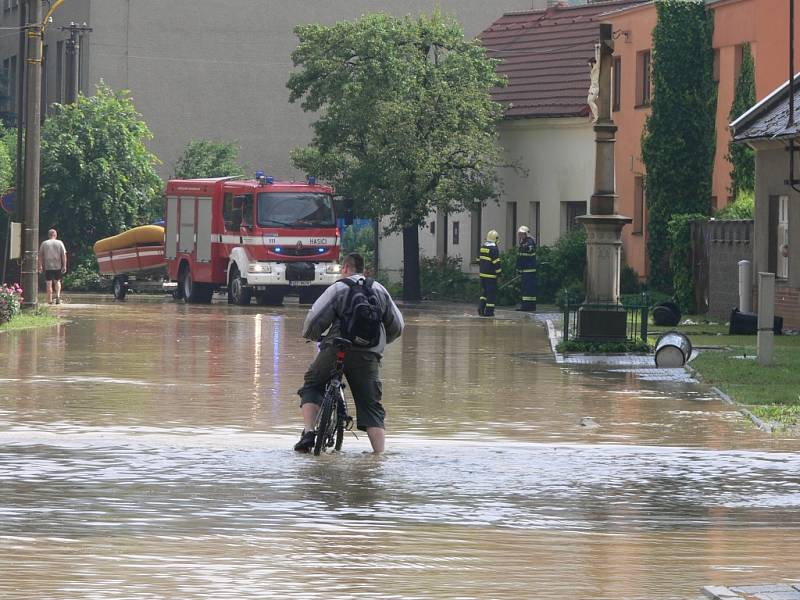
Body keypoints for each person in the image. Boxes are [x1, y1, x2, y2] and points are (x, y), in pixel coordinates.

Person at [295, 252, 404, 454]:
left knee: (312, 383)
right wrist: (379, 344)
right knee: (371, 405)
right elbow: (397, 326)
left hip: (338, 349)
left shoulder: (339, 288)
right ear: (365, 270)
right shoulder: (379, 290)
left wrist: (312, 335)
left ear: (345, 268)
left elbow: (315, 318)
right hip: (368, 354)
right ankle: (378, 457)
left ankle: (309, 433)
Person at [37, 229, 67, 304]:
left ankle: (49, 301)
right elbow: (63, 255)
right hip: (58, 266)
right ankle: (57, 296)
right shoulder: (60, 243)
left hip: (48, 266)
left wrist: (40, 266)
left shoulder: (44, 243)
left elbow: (40, 256)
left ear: (48, 235)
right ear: (55, 235)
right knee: (57, 281)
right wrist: (64, 265)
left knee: (49, 283)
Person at [478, 230, 502, 317]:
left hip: (482, 274)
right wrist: (499, 274)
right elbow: (496, 263)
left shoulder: (482, 247)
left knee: (484, 292)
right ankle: (489, 312)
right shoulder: (494, 249)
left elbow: (478, 260)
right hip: (491, 276)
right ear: (495, 239)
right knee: (491, 294)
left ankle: (481, 307)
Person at [516, 225, 537, 312]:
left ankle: (527, 307)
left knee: (528, 290)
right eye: (520, 234)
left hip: (529, 270)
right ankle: (529, 306)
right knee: (526, 289)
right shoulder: (524, 242)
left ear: (526, 234)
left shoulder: (529, 243)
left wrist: (520, 269)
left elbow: (523, 258)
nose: (520, 236)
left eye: (522, 234)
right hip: (525, 270)